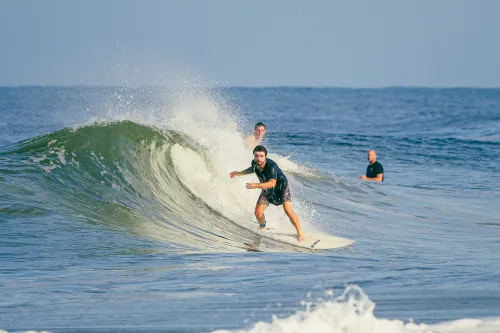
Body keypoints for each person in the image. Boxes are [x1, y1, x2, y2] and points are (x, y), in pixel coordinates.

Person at [229, 145, 306, 241]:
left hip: (281, 188)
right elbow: (251, 169)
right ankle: (262, 226)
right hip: (267, 189)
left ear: (265, 156)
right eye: (256, 156)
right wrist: (239, 173)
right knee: (258, 212)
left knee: (288, 210)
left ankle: (300, 233)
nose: (258, 158)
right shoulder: (254, 163)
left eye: (261, 156)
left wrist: (256, 185)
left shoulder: (271, 166)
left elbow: (272, 183)